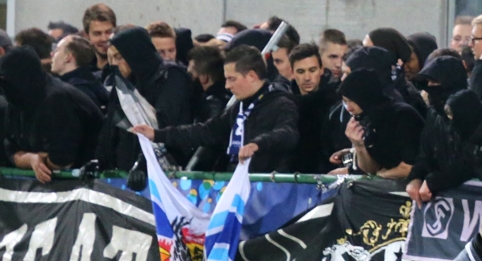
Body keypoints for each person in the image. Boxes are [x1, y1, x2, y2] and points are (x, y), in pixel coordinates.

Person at [132, 45, 300, 173]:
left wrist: (258, 144)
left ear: (251, 76)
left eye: (232, 79)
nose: (227, 86)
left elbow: (288, 133)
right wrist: (156, 134)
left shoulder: (281, 103)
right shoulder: (239, 107)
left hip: (269, 194)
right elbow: (205, 131)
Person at [97, 26, 195, 173]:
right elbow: (110, 130)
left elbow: (166, 124)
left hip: (165, 172)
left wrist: (145, 162)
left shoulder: (171, 77)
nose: (114, 64)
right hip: (124, 174)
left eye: (119, 57)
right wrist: (99, 162)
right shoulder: (122, 85)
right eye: (111, 59)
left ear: (135, 54)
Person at [1, 47, 103, 182]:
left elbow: (62, 160)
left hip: (89, 186)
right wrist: (32, 159)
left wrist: (36, 160)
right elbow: (10, 150)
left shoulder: (56, 100)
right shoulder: (16, 102)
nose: (4, 86)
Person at [332, 68, 424, 178]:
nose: (349, 108)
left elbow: (409, 168)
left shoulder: (403, 116)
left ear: (365, 98)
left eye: (352, 101)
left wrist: (376, 178)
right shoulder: (367, 118)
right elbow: (370, 169)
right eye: (346, 102)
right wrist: (358, 146)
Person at [406, 55, 474, 202]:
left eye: (435, 82)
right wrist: (415, 177)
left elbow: (472, 161)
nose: (430, 87)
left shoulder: (472, 112)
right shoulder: (433, 113)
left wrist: (434, 181)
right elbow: (424, 153)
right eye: (428, 82)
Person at [290, 43, 339, 173]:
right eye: (301, 71)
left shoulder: (334, 100)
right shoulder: (284, 102)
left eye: (312, 70)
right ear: (292, 73)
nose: (307, 78)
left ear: (321, 70)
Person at [50, 35, 108, 111]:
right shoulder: (93, 82)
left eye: (57, 50)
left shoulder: (73, 92)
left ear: (67, 57)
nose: (52, 54)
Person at [82, 3, 116, 72]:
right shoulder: (83, 71)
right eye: (97, 33)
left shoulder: (125, 71)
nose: (104, 38)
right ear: (87, 36)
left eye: (109, 32)